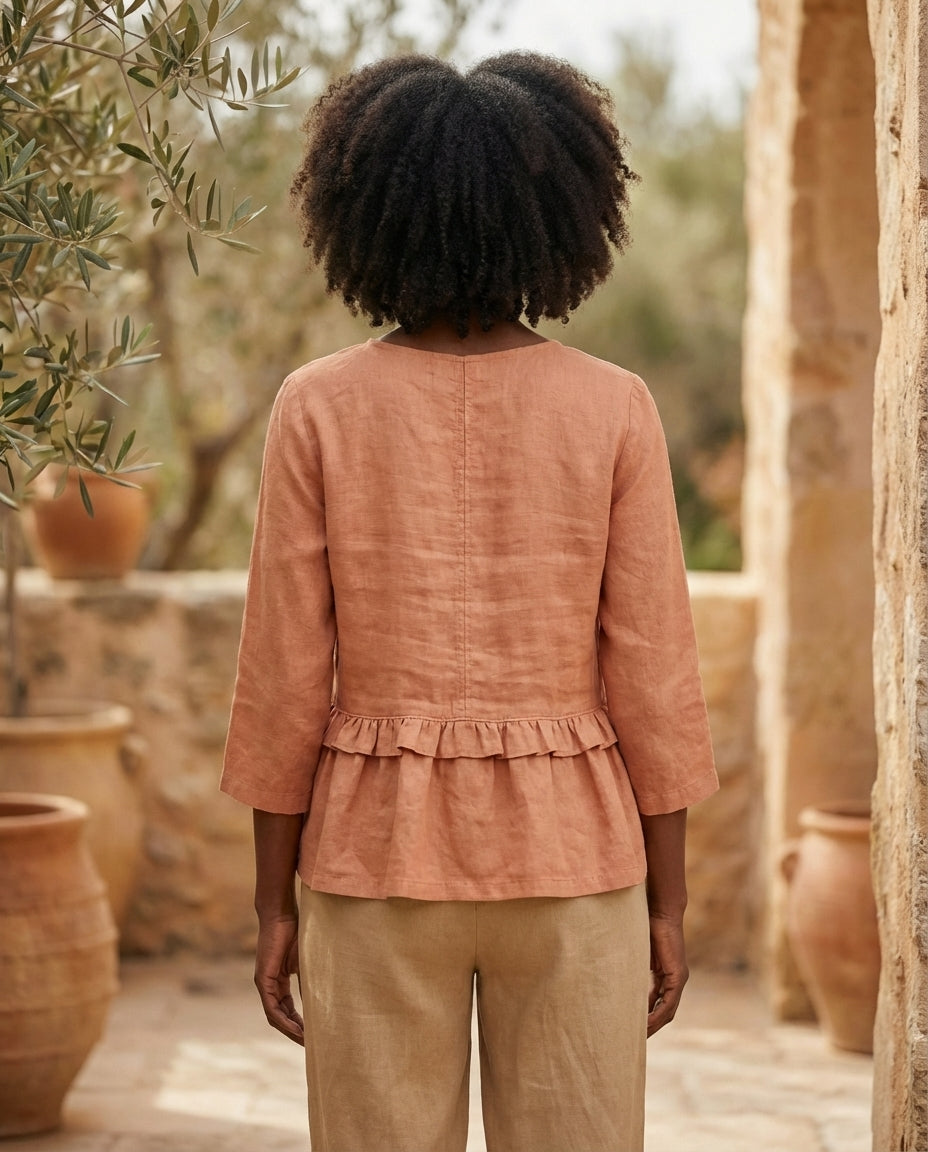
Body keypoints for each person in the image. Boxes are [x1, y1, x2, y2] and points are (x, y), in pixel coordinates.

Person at [220, 51, 718, 1152]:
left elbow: (282, 682)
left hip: (372, 860)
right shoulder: (613, 409)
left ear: (366, 213)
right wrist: (667, 905)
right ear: (564, 213)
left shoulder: (318, 408)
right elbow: (656, 677)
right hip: (576, 866)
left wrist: (272, 906)